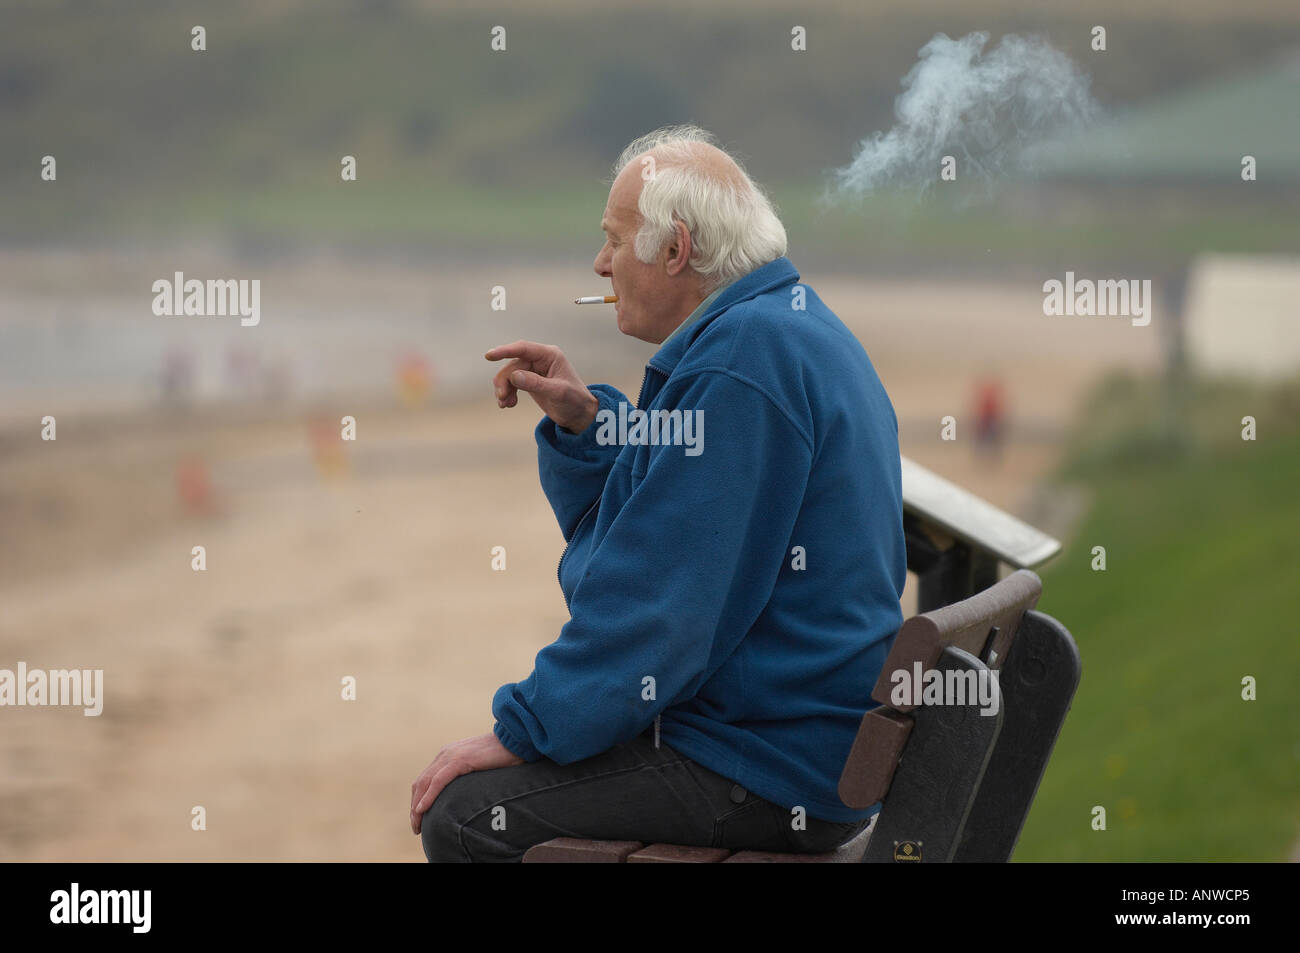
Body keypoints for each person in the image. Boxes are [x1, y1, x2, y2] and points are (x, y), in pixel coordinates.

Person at [412, 124, 906, 862]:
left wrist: (519, 728)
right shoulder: (784, 328)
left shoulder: (741, 365)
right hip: (809, 743)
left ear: (675, 250)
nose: (601, 262)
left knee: (464, 816)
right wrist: (593, 426)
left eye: (615, 239)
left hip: (765, 765)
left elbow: (659, 608)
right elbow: (686, 510)